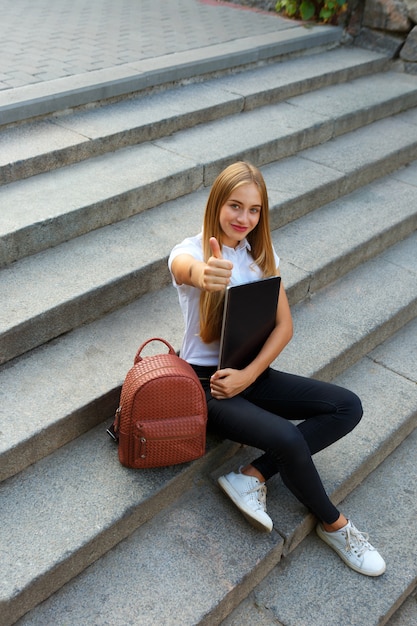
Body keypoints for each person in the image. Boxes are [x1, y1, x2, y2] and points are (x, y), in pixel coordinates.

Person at [168, 161, 385, 577]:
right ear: (216, 203)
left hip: (250, 374)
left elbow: (284, 327)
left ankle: (254, 474)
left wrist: (250, 375)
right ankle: (335, 526)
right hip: (208, 384)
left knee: (347, 406)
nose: (244, 218)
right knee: (287, 436)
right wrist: (206, 274)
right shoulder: (189, 252)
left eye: (254, 210)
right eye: (235, 205)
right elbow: (188, 270)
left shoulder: (261, 256)